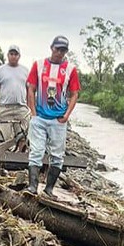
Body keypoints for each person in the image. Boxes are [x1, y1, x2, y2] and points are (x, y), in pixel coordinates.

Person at [25, 35, 80, 198]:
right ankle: (32, 186)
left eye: (63, 50)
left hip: (58, 120)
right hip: (40, 117)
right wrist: (33, 112)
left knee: (57, 156)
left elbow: (74, 93)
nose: (60, 53)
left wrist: (67, 115)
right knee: (36, 152)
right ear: (51, 48)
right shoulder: (39, 65)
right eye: (58, 49)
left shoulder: (70, 69)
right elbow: (31, 88)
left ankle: (49, 189)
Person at [0, 44, 30, 143]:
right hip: (5, 108)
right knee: (4, 138)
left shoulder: (25, 70)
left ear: (19, 56)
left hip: (21, 108)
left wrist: (29, 106)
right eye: (11, 54)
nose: (13, 56)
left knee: (22, 137)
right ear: (7, 55)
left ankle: (21, 152)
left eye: (15, 54)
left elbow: (29, 89)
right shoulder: (0, 70)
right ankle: (3, 152)